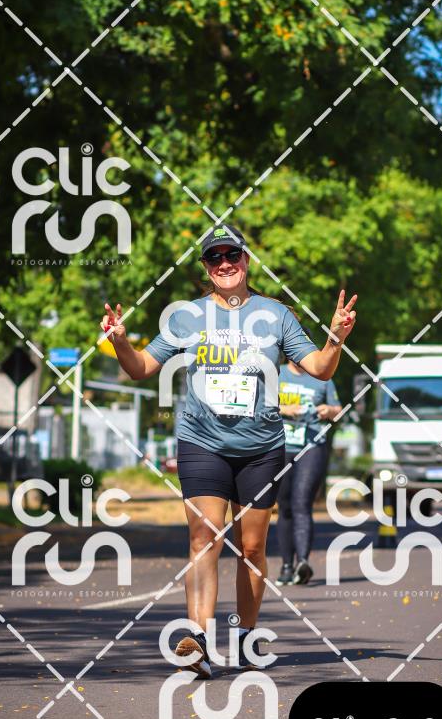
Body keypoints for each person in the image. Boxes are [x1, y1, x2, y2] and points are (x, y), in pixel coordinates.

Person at [100, 225, 357, 676]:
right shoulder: (186, 316)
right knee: (204, 537)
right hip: (202, 441)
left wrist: (335, 336)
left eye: (231, 255)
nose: (224, 263)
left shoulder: (275, 315)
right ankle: (198, 641)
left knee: (252, 548)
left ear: (246, 259)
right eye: (214, 257)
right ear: (205, 268)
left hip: (261, 448)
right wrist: (121, 341)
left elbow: (319, 368)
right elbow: (141, 368)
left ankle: (246, 637)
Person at [275, 360, 342, 586]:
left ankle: (302, 562)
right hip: (281, 446)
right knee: (284, 506)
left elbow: (338, 411)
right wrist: (284, 409)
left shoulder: (323, 376)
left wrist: (329, 411)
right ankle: (286, 566)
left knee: (301, 503)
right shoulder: (276, 373)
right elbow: (258, 405)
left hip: (311, 447)